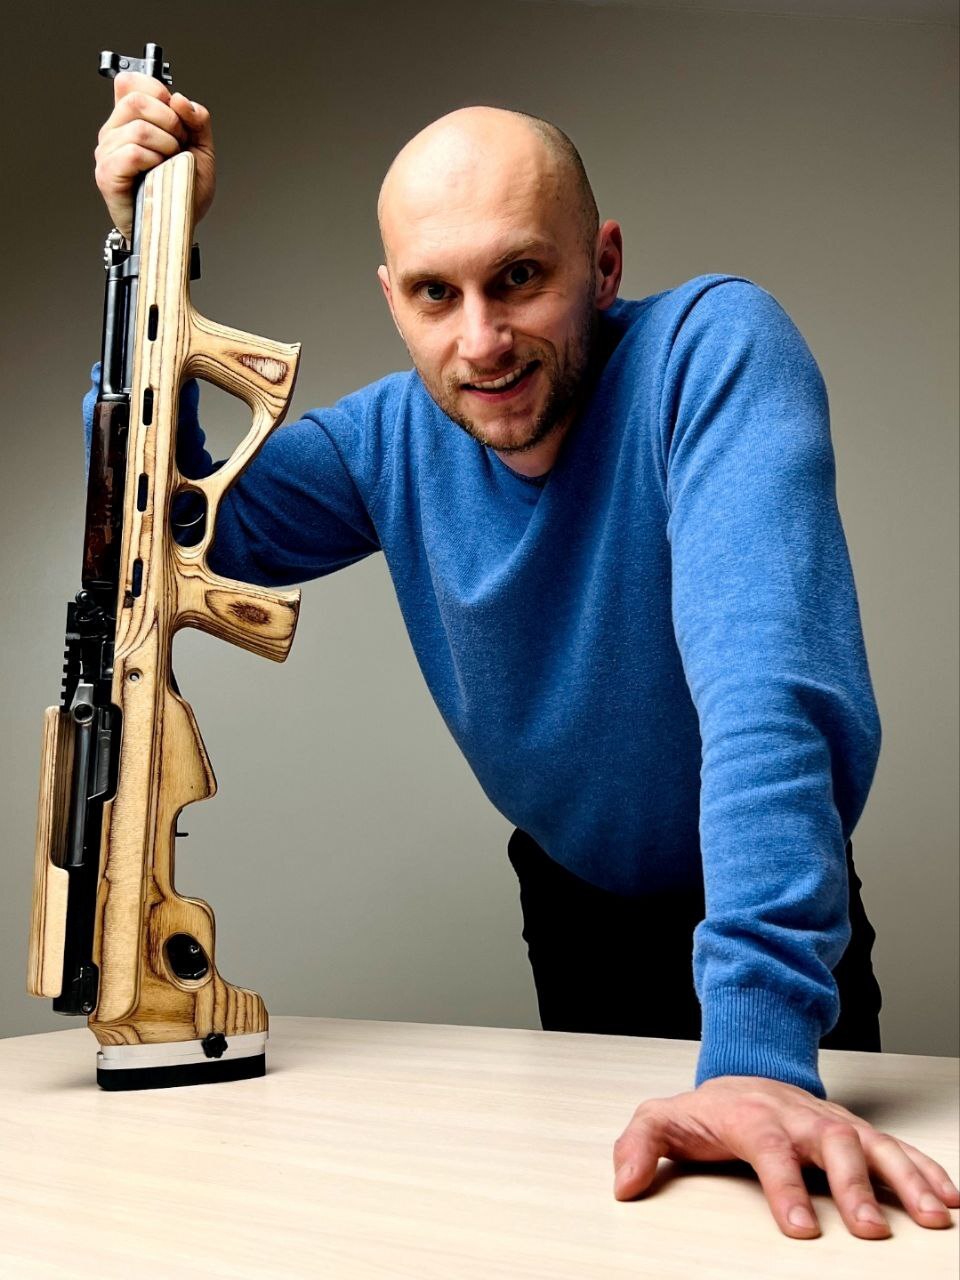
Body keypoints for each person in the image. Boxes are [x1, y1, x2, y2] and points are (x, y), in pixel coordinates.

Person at [91, 75, 958, 1240]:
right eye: (435, 294)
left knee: (800, 1232)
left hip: (769, 912)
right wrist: (147, 257)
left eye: (519, 278)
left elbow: (766, 693)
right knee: (617, 1232)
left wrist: (757, 1052)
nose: (481, 340)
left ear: (602, 265)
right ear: (393, 300)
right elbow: (167, 525)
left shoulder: (713, 351)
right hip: (570, 910)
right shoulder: (387, 440)